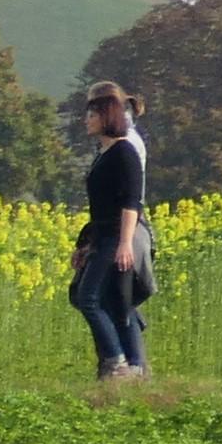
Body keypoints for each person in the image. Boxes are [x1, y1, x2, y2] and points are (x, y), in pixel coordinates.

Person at [70, 80, 150, 382]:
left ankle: (119, 363)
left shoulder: (124, 152)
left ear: (106, 116)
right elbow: (100, 206)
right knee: (110, 301)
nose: (86, 120)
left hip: (117, 236)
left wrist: (125, 243)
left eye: (92, 114)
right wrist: (86, 243)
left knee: (90, 297)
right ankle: (130, 368)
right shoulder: (103, 153)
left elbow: (131, 202)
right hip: (102, 236)